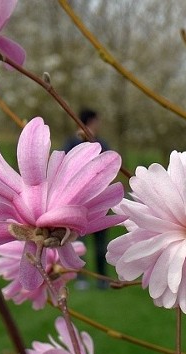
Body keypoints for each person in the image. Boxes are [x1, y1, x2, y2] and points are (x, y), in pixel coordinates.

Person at [63, 109, 111, 289]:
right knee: (78, 241)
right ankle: (82, 277)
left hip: (97, 199)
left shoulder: (101, 143)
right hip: (78, 200)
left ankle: (100, 278)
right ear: (90, 121)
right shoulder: (74, 143)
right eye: (97, 121)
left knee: (99, 243)